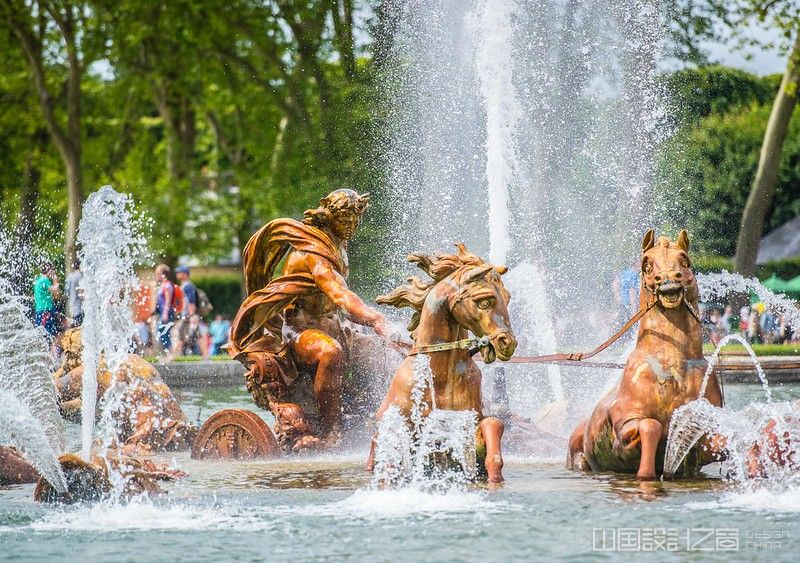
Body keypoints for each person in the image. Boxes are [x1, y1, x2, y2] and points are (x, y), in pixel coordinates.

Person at [167, 266, 198, 360]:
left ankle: (171, 358)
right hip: (185, 315)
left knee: (180, 336)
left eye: (179, 273)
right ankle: (173, 356)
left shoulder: (188, 286)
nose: (177, 275)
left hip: (187, 316)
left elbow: (191, 302)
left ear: (185, 274)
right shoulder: (184, 285)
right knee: (184, 336)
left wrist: (191, 315)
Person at [33, 262, 60, 353]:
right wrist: (55, 280)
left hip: (42, 311)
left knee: (48, 336)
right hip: (45, 311)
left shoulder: (39, 280)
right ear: (49, 271)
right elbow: (56, 292)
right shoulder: (44, 280)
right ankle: (53, 359)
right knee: (51, 337)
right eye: (53, 270)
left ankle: (51, 357)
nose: (54, 272)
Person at [154, 264, 175, 353]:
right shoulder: (163, 285)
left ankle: (170, 354)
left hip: (167, 313)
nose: (156, 275)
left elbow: (168, 301)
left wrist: (165, 315)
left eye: (157, 273)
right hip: (163, 313)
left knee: (163, 332)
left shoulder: (167, 285)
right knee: (163, 333)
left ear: (163, 274)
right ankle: (168, 353)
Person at [133, 281, 154, 354]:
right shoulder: (140, 302)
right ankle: (145, 352)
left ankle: (145, 352)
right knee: (145, 339)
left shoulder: (145, 301)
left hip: (144, 323)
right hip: (142, 323)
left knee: (146, 340)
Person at [64, 260, 84, 327]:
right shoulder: (79, 275)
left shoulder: (69, 276)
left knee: (74, 318)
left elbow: (66, 289)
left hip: (72, 300)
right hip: (79, 302)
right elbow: (82, 288)